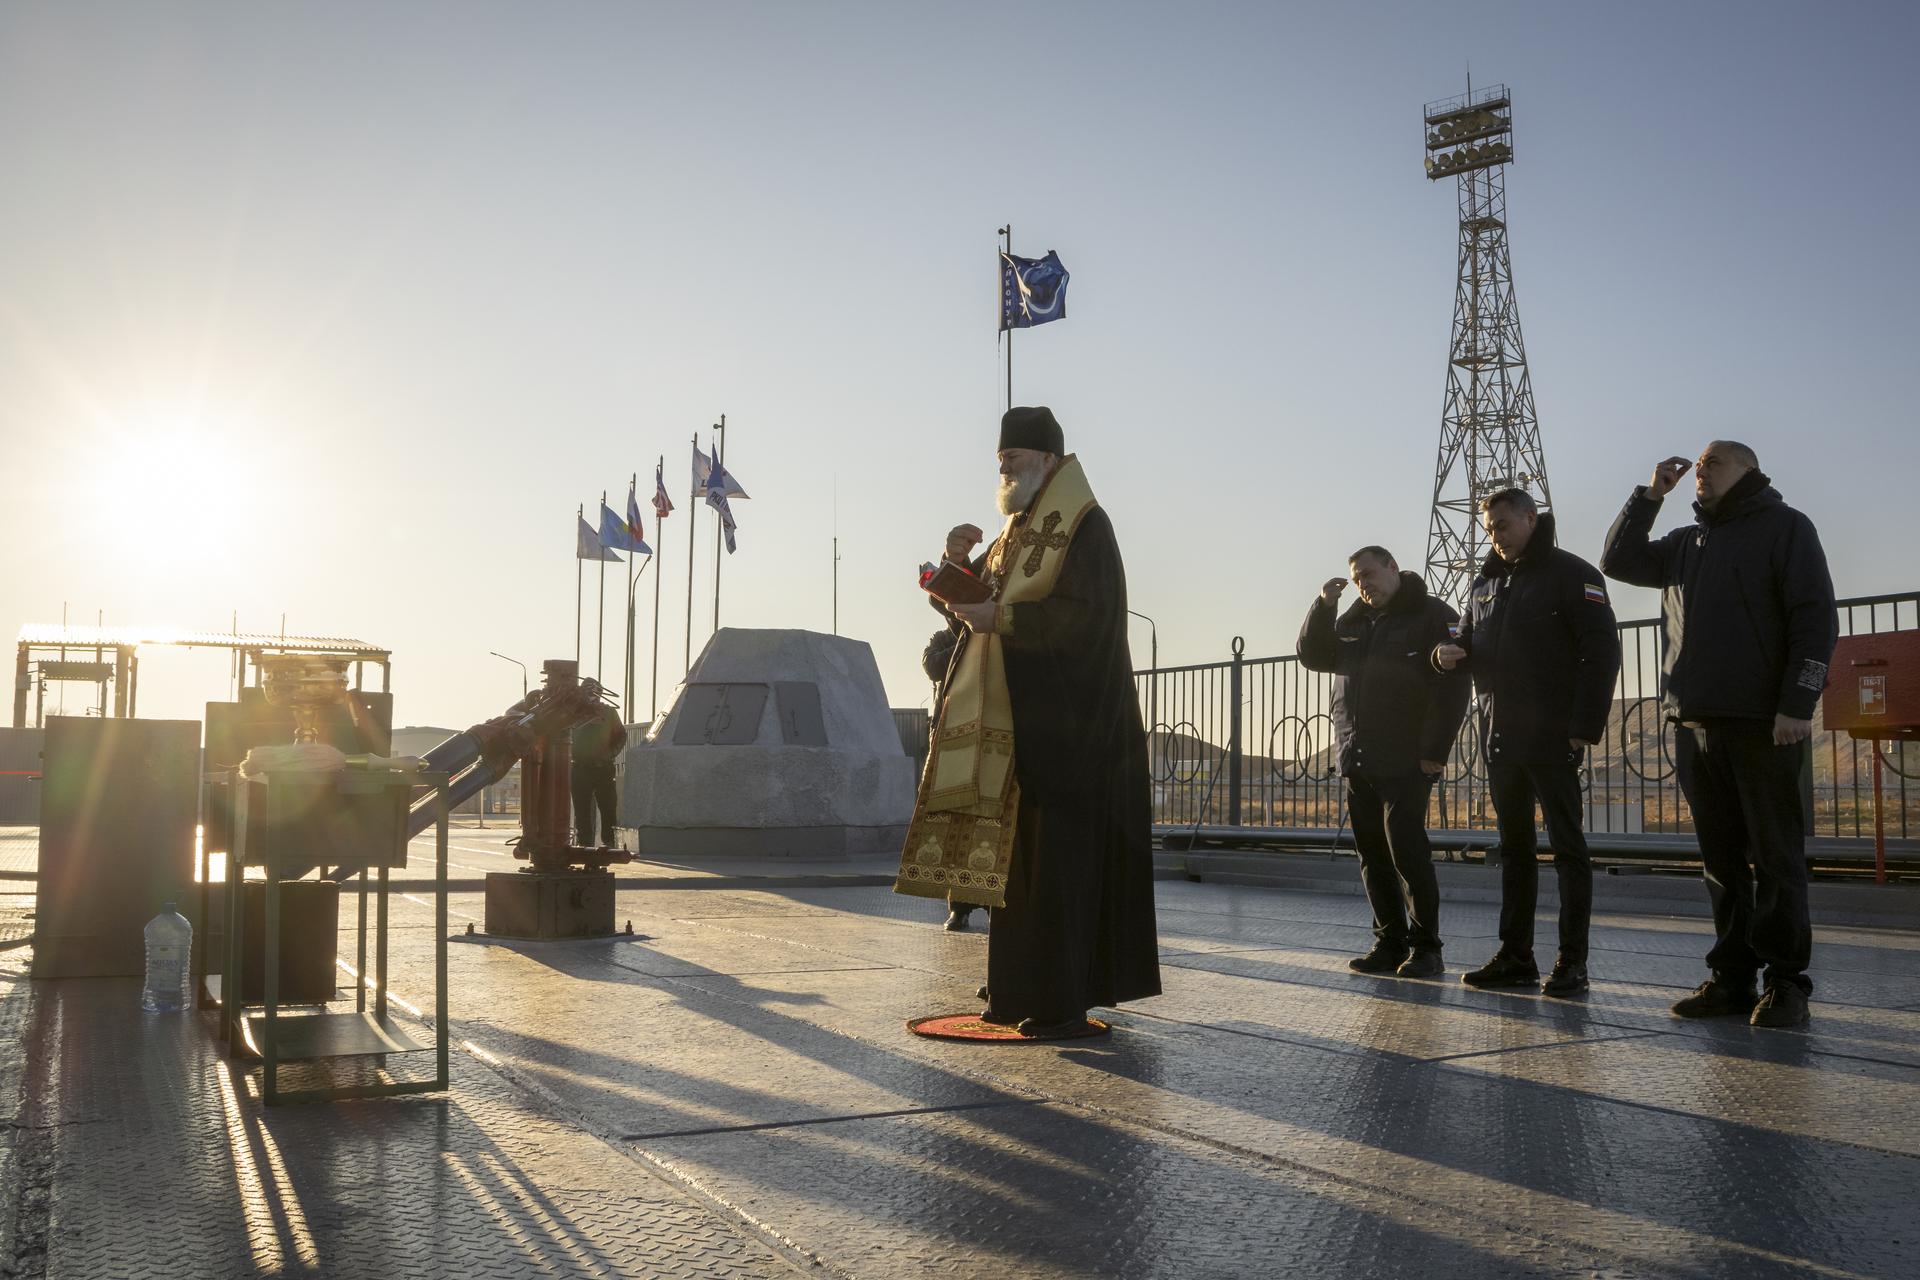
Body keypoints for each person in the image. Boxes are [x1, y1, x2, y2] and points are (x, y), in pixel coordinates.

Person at [895, 405, 1161, 1036]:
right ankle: (1016, 990)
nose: (1005, 466)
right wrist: (950, 568)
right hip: (1017, 730)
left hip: (1070, 732)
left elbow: (1087, 620)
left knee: (1058, 870)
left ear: (1048, 460)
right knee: (1013, 871)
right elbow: (978, 601)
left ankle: (1061, 1001)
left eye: (1014, 457)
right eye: (1000, 459)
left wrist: (1004, 620)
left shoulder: (1085, 527)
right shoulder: (1013, 536)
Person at [1600, 442, 1836, 1029]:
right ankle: (1732, 980)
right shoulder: (1686, 541)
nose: (1701, 472)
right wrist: (1649, 496)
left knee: (1776, 857)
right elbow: (1618, 560)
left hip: (1763, 724)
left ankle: (1786, 983)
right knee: (1720, 861)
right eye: (1698, 466)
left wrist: (1797, 703)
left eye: (1715, 464)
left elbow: (1815, 619)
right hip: (1693, 722)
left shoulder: (1786, 528)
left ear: (1749, 471)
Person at [1434, 489, 1620, 996]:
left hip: (1553, 734)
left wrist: (1585, 726)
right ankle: (1515, 955)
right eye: (1488, 528)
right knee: (1514, 849)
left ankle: (1571, 961)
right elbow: (1470, 644)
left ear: (1530, 518)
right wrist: (1446, 653)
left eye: (1502, 524)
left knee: (1567, 848)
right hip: (1501, 736)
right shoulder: (1486, 582)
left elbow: (1600, 653)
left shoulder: (1572, 574)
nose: (1494, 534)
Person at [1297, 547, 1469, 978]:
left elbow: (1453, 688)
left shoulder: (1432, 615)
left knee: (1407, 852)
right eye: (1356, 579)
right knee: (1372, 855)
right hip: (1359, 758)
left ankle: (1427, 948)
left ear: (1393, 567)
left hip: (1407, 759)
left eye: (1369, 574)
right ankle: (1389, 943)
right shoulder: (1352, 621)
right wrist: (1323, 605)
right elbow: (1313, 655)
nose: (1363, 584)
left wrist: (1435, 751)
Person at [918, 625, 978, 932]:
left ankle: (994, 903)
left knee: (988, 824)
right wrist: (964, 642)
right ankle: (959, 907)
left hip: (986, 737)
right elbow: (932, 665)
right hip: (950, 737)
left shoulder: (989, 635)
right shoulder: (944, 638)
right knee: (954, 825)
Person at [570, 701, 628, 848]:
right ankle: (584, 842)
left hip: (603, 768)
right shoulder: (572, 711)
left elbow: (621, 735)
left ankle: (609, 841)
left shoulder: (609, 712)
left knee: (608, 806)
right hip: (579, 767)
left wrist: (610, 754)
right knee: (581, 808)